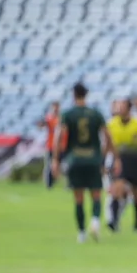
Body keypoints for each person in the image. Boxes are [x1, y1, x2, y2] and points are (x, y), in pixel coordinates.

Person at [52, 84, 113, 243]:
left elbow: (58, 137)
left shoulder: (68, 114)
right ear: (86, 95)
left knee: (78, 197)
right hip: (93, 159)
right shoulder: (96, 114)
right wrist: (104, 156)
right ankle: (95, 221)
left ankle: (81, 233)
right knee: (96, 194)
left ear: (73, 95)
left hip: (75, 159)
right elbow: (108, 137)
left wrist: (56, 160)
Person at [106, 98, 137, 232]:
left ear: (128, 108)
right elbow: (107, 142)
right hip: (119, 159)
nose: (119, 109)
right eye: (118, 106)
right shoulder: (112, 124)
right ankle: (114, 221)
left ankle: (136, 223)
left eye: (122, 106)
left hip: (134, 159)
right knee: (116, 190)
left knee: (136, 192)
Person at [38, 101, 61, 188]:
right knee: (49, 165)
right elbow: (41, 126)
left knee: (61, 165)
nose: (55, 109)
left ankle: (58, 181)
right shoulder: (49, 118)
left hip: (60, 147)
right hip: (51, 146)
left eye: (57, 107)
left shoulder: (61, 118)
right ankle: (49, 183)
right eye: (54, 107)